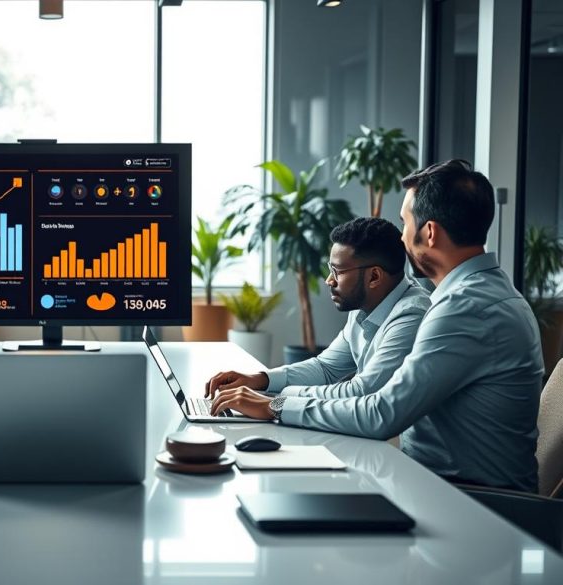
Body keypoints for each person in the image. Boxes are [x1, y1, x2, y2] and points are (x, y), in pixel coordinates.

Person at [206, 160, 544, 492]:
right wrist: (266, 386)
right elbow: (335, 372)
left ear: (429, 233)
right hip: (436, 483)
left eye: (405, 223)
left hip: (473, 501)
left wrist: (274, 405)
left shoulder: (465, 308)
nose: (401, 239)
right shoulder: (481, 294)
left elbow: (382, 413)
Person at [206, 217, 429, 401]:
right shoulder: (364, 306)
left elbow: (363, 392)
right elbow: (326, 369)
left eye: (338, 271)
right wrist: (260, 380)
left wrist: (274, 402)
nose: (329, 280)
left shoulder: (410, 316)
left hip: (419, 456)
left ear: (374, 276)